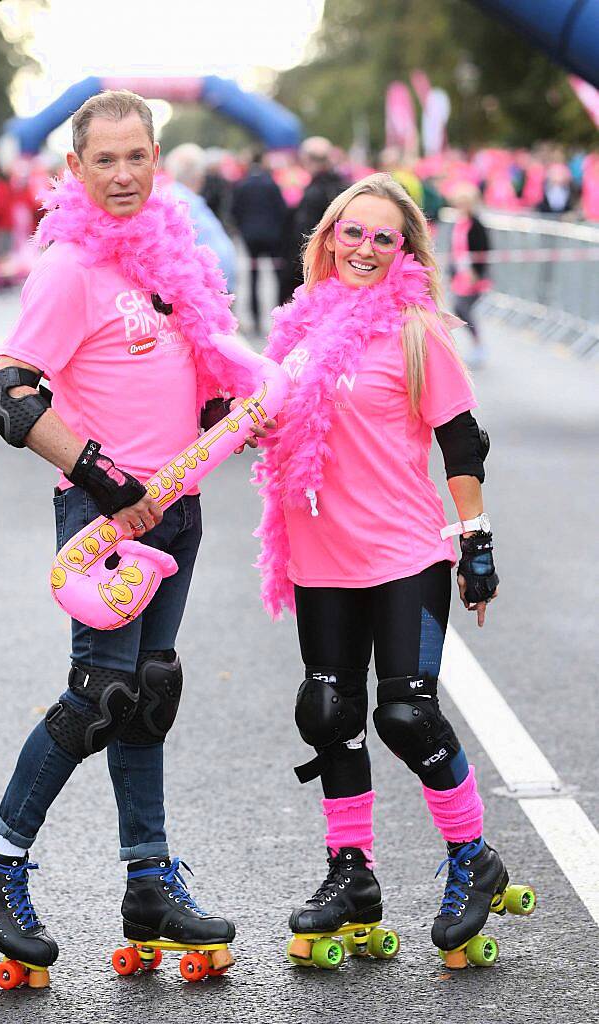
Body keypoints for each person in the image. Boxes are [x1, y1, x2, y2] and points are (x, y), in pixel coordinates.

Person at [0, 89, 272, 982]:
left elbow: (200, 375)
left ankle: (149, 881)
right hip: (106, 520)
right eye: (105, 160)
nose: (122, 174)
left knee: (147, 693)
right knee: (96, 696)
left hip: (179, 506)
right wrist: (103, 479)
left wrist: (233, 414)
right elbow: (9, 394)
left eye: (137, 157)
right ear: (77, 170)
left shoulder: (177, 258)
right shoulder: (68, 267)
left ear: (156, 161)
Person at [253, 173, 511, 963]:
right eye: (351, 232)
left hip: (402, 550)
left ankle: (474, 858)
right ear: (328, 236)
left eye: (383, 237)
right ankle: (351, 871)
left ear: (405, 250)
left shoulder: (416, 329)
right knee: (329, 713)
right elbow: (267, 424)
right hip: (320, 554)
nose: (364, 248)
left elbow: (461, 440)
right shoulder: (295, 331)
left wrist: (477, 542)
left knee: (404, 714)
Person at [278, 136, 347, 304]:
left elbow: (302, 235)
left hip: (315, 264)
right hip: (340, 262)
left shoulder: (313, 192)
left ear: (307, 160)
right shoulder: (344, 186)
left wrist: (290, 274)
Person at [164, 142, 237, 294]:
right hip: (202, 292)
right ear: (199, 175)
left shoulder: (187, 198)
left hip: (211, 290)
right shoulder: (179, 201)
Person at [231, 149, 288, 334]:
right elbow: (282, 209)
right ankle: (281, 315)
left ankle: (255, 319)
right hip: (272, 235)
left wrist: (243, 229)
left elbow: (234, 210)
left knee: (253, 277)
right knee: (277, 274)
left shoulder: (242, 184)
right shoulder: (271, 183)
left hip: (250, 236)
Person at [449, 182, 492, 368]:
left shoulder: (476, 225)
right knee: (459, 308)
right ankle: (476, 345)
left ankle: (478, 345)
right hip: (460, 274)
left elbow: (483, 249)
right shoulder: (459, 222)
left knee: (462, 308)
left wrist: (477, 272)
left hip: (473, 275)